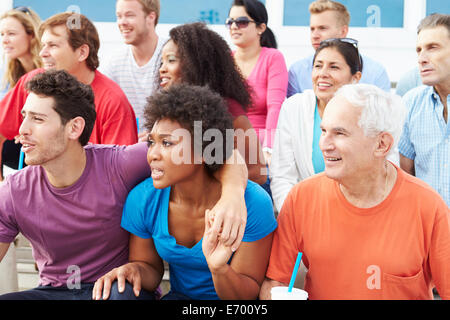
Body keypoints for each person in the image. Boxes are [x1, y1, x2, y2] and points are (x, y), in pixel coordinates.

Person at [0, 70, 250, 300]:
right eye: (24, 117)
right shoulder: (13, 191)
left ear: (75, 127)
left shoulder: (120, 164)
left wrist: (233, 195)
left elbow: (217, 149)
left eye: (38, 119)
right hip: (52, 292)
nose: (22, 130)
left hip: (115, 290)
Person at [260, 84, 450, 300]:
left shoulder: (428, 207)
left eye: (339, 133)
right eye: (323, 131)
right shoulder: (301, 197)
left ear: (381, 144)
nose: (324, 144)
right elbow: (275, 283)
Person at [92, 84, 276, 300]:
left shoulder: (253, 203)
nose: (152, 154)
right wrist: (135, 270)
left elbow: (246, 294)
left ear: (203, 152)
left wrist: (219, 269)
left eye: (167, 143)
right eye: (152, 142)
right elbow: (150, 268)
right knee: (118, 292)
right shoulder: (143, 198)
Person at [0, 12, 138, 181]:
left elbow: (120, 172)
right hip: (36, 192)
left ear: (82, 52)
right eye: (43, 45)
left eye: (53, 45)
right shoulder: (32, 82)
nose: (42, 53)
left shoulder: (113, 101)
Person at [158, 22, 267, 184]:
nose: (162, 69)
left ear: (195, 64)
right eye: (161, 62)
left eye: (171, 60)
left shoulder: (230, 111)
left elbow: (258, 173)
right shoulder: (169, 110)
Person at [270, 38, 362, 212]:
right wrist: (295, 218)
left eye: (334, 67)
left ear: (355, 77)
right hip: (303, 212)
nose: (323, 73)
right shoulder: (294, 107)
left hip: (355, 213)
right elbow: (282, 176)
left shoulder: (368, 112)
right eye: (318, 66)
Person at [227, 0, 288, 166]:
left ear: (261, 28)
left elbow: (275, 107)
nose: (234, 26)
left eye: (241, 22)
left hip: (261, 144)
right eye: (230, 22)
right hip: (227, 143)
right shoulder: (225, 60)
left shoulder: (273, 58)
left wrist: (269, 148)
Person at [287, 0, 390, 98]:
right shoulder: (297, 71)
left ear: (343, 31)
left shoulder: (376, 73)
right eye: (312, 29)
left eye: (323, 28)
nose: (315, 35)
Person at [398, 13, 450, 207]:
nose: (422, 58)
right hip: (428, 227)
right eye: (419, 50)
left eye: (432, 48)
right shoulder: (411, 103)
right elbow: (406, 175)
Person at [100, 0, 165, 137]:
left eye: (129, 15)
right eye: (119, 16)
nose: (122, 22)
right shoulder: (114, 62)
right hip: (128, 148)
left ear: (150, 18)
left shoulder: (171, 55)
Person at [0, 6, 41, 175]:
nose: (5, 40)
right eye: (2, 34)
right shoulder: (9, 74)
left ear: (31, 35)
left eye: (11, 33)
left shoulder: (49, 70)